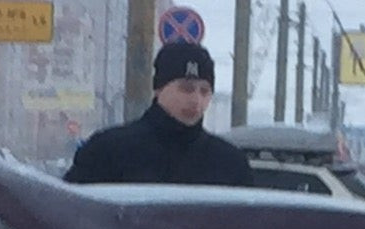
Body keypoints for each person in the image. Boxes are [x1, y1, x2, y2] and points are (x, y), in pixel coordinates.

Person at [63, 41, 254, 188]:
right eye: (186, 89)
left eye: (204, 91)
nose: (196, 100)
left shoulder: (229, 163)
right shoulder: (109, 151)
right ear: (159, 89)